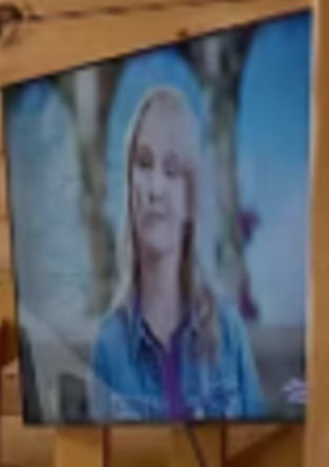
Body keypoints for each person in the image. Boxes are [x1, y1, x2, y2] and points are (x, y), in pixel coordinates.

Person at [86, 84, 269, 421]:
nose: (155, 188)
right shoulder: (108, 347)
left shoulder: (229, 334)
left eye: (172, 171)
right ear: (129, 184)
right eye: (143, 164)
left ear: (190, 198)